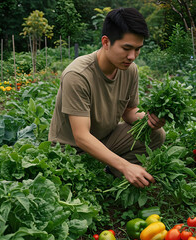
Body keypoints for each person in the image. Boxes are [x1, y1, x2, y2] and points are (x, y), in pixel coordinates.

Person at [48, 8, 166, 188]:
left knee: (155, 133)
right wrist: (126, 166)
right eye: (126, 48)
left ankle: (110, 175)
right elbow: (81, 136)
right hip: (72, 152)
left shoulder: (129, 69)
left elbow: (129, 112)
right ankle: (112, 173)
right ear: (106, 42)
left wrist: (149, 119)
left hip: (105, 138)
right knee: (77, 182)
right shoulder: (78, 75)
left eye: (137, 49)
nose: (132, 57)